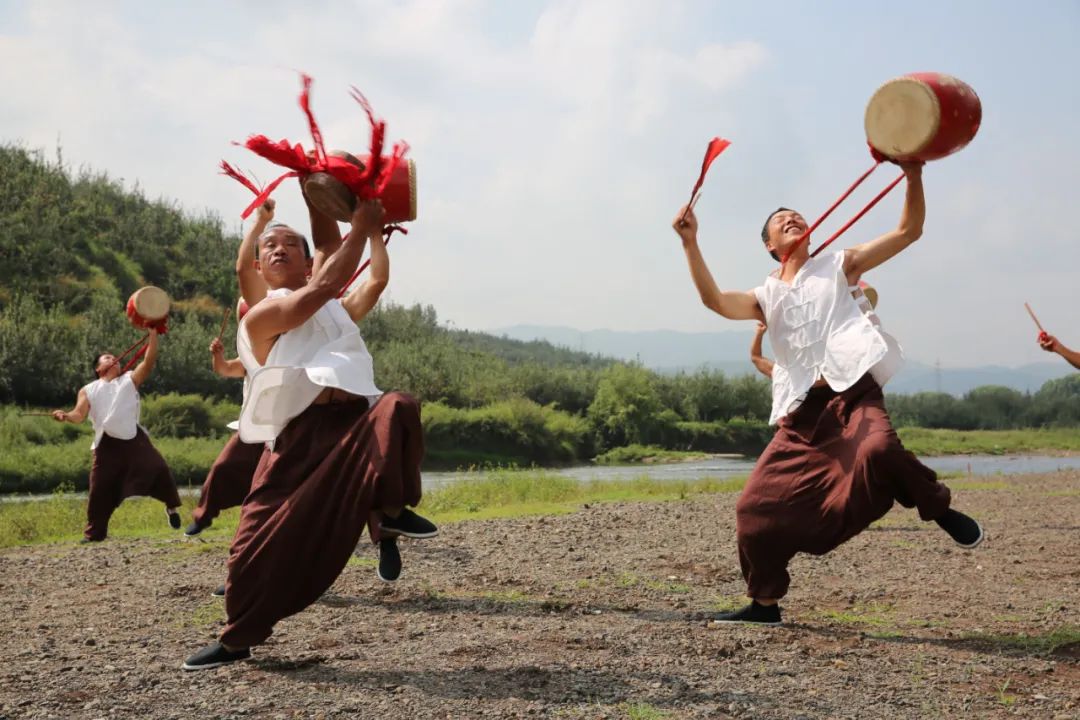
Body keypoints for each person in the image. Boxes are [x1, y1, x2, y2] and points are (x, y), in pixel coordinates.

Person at [673, 161, 982, 627]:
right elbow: (714, 301)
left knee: (879, 449)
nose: (791, 218)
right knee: (753, 508)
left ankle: (936, 507)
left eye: (797, 215)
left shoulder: (840, 264)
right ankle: (764, 605)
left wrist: (913, 174)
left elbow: (909, 231)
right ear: (769, 245)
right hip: (802, 413)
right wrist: (690, 242)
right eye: (781, 220)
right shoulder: (765, 295)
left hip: (853, 392)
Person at [183, 198, 436, 670]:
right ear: (258, 267)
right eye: (269, 246)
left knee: (397, 407)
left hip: (351, 423)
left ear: (307, 261)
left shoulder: (337, 309)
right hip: (296, 436)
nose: (278, 249)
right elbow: (321, 285)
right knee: (251, 548)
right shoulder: (259, 316)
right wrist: (360, 227)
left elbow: (355, 268)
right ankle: (237, 639)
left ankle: (391, 514)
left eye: (290, 244)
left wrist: (322, 196)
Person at [51, 328, 182, 542]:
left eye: (114, 358)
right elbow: (78, 414)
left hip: (133, 438)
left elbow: (148, 362)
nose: (113, 360)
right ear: (98, 368)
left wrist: (153, 335)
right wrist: (65, 416)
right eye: (107, 358)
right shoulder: (88, 389)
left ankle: (171, 508)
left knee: (158, 468)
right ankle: (94, 534)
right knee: (99, 489)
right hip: (106, 443)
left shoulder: (129, 379)